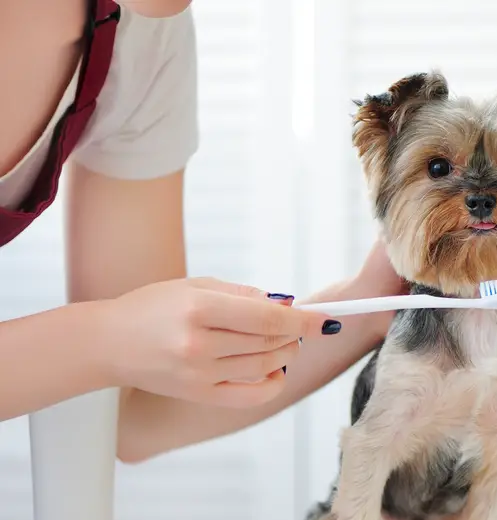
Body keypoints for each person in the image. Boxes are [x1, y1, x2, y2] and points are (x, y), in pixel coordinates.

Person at [0, 0, 405, 461]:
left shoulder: (144, 36)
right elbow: (117, 353)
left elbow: (136, 414)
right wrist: (103, 338)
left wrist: (371, 303)